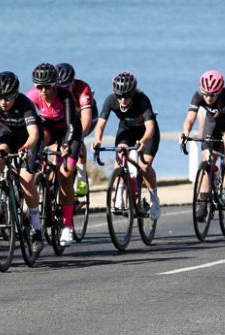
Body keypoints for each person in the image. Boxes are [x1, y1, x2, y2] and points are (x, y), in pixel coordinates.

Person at [0, 71, 44, 251]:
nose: (3, 102)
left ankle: (36, 228)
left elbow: (34, 134)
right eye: (0, 97)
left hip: (30, 139)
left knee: (26, 182)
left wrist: (25, 149)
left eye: (8, 98)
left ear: (16, 95)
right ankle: (1, 190)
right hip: (9, 134)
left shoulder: (25, 104)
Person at [26, 63, 82, 246]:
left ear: (55, 84)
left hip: (69, 131)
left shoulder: (65, 95)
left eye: (47, 86)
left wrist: (65, 145)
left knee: (65, 173)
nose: (43, 90)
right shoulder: (32, 96)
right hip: (47, 130)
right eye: (39, 86)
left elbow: (71, 126)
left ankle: (68, 226)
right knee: (37, 146)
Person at [92, 72, 161, 220]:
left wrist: (143, 141)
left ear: (133, 93)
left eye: (127, 96)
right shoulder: (111, 100)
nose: (123, 99)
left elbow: (150, 127)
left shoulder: (142, 100)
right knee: (121, 157)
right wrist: (98, 141)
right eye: (119, 96)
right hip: (126, 130)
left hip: (147, 133)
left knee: (144, 166)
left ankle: (154, 198)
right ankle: (120, 194)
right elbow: (101, 124)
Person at [180, 70, 225, 216]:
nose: (208, 98)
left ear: (220, 91)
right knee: (207, 159)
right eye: (206, 94)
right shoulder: (198, 95)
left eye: (213, 95)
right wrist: (185, 133)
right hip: (214, 122)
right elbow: (190, 119)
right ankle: (203, 203)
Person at [55, 63, 97, 196]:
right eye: (60, 87)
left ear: (73, 82)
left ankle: (81, 177)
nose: (63, 90)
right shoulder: (52, 90)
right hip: (66, 117)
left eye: (67, 86)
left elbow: (86, 120)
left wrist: (77, 137)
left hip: (84, 116)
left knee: (79, 141)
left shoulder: (82, 88)